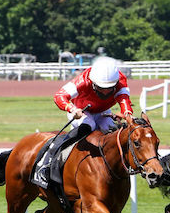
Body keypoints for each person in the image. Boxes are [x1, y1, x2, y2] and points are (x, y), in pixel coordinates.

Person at [37, 56, 134, 185]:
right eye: (101, 88)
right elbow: (59, 96)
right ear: (93, 82)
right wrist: (71, 109)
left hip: (103, 112)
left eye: (109, 88)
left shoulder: (120, 80)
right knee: (89, 125)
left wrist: (127, 114)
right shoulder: (82, 80)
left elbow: (123, 99)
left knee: (113, 130)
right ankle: (48, 161)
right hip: (80, 111)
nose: (105, 92)